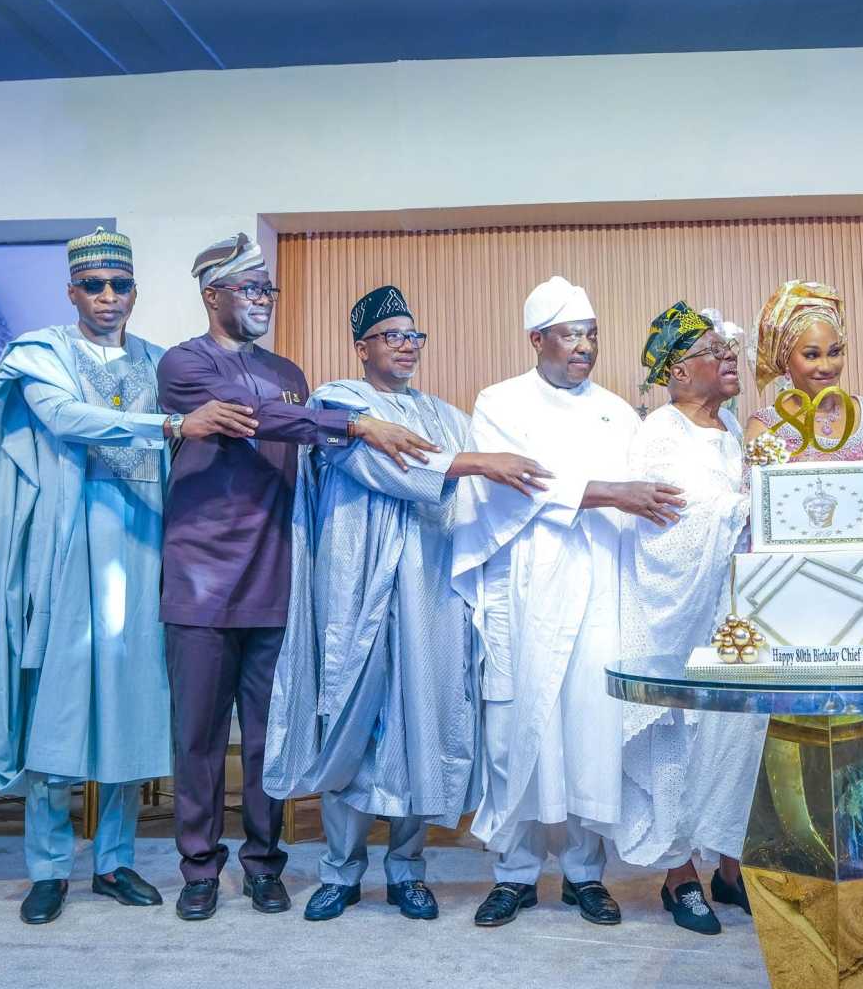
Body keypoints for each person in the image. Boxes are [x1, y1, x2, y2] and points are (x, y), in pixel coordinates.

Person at [0, 227, 259, 926]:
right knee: (58, 709)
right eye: (94, 285)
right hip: (67, 544)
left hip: (146, 549)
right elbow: (64, 418)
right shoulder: (41, 353)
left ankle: (114, 861)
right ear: (71, 291)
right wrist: (171, 427)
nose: (108, 297)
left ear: (135, 291)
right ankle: (49, 868)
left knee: (133, 708)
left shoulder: (160, 362)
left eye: (121, 285)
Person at [158, 240, 435, 922]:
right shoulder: (185, 364)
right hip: (201, 575)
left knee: (270, 735)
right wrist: (355, 423)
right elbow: (258, 418)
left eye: (267, 290)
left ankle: (263, 864)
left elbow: (302, 438)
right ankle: (199, 869)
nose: (262, 299)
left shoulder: (288, 371)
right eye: (248, 288)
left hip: (277, 573)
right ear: (212, 294)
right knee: (197, 738)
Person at [265, 284, 546, 923]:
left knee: (421, 721)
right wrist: (480, 463)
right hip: (354, 585)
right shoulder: (339, 402)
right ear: (361, 346)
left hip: (429, 590)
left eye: (413, 336)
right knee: (349, 722)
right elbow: (388, 469)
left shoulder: (448, 418)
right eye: (392, 336)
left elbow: (477, 493)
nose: (406, 346)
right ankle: (339, 872)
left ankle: (406, 871)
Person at [451, 276, 685, 929]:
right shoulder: (499, 401)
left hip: (601, 581)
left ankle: (585, 874)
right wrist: (611, 492)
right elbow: (516, 482)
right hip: (526, 584)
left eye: (592, 335)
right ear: (537, 339)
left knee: (590, 724)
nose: (584, 346)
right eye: (570, 334)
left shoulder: (617, 411)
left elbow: (650, 490)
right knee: (518, 726)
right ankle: (514, 874)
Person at [610, 302, 766, 936]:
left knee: (734, 735)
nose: (730, 358)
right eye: (713, 351)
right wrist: (746, 506)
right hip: (673, 618)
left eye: (731, 350)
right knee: (678, 739)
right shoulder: (659, 432)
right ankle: (680, 875)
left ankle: (729, 866)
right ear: (677, 371)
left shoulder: (729, 428)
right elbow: (669, 523)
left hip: (729, 612)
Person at [743, 279, 863, 459]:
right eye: (811, 355)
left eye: (834, 352)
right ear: (785, 359)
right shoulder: (767, 427)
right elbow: (758, 478)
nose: (826, 367)